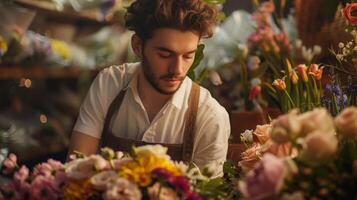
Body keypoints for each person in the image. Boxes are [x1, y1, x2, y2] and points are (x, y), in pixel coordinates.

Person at [68, 0, 230, 177]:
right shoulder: (110, 84)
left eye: (187, 56)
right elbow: (76, 170)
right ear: (137, 46)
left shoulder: (209, 116)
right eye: (165, 55)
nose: (177, 69)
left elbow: (207, 194)